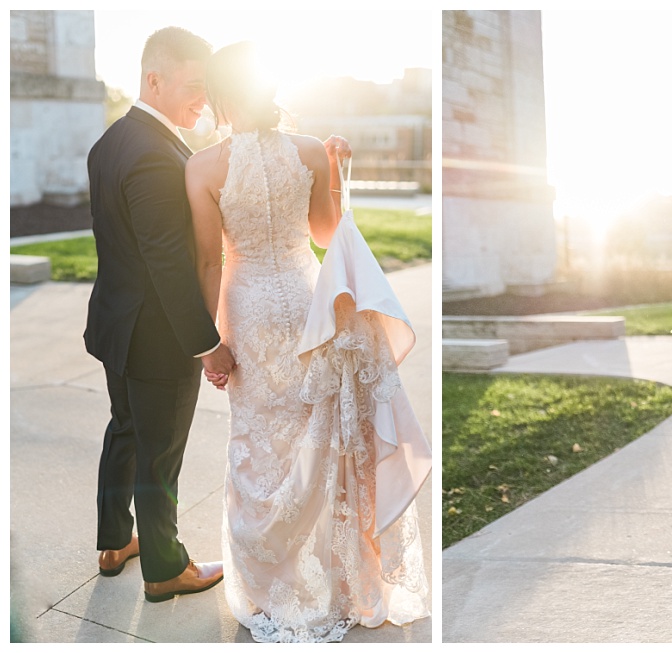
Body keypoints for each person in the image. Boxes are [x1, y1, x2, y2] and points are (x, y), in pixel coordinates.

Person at [183, 41, 429, 642]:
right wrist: (334, 174)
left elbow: (208, 262)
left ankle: (276, 587)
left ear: (218, 95)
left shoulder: (203, 167)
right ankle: (340, 580)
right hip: (306, 301)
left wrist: (211, 341)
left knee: (260, 439)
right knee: (321, 437)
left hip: (248, 307)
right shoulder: (311, 150)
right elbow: (325, 233)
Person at [86, 26, 231, 604]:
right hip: (156, 336)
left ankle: (115, 542)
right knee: (160, 449)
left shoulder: (112, 141)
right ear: (154, 79)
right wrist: (206, 341)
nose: (203, 98)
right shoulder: (156, 154)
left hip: (116, 325)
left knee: (124, 430)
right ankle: (166, 569)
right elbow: (168, 261)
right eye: (194, 86)